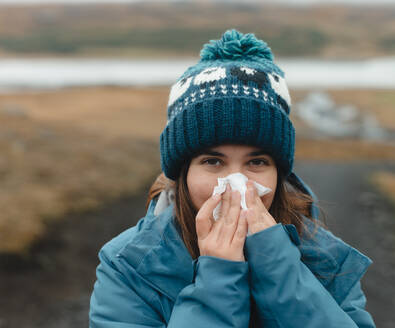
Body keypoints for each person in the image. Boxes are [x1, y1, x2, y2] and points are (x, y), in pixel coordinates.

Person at [89, 29, 376, 328]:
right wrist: (218, 279)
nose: (237, 183)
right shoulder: (128, 267)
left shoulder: (325, 258)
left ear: (278, 172)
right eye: (213, 161)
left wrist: (278, 266)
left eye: (256, 162)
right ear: (183, 173)